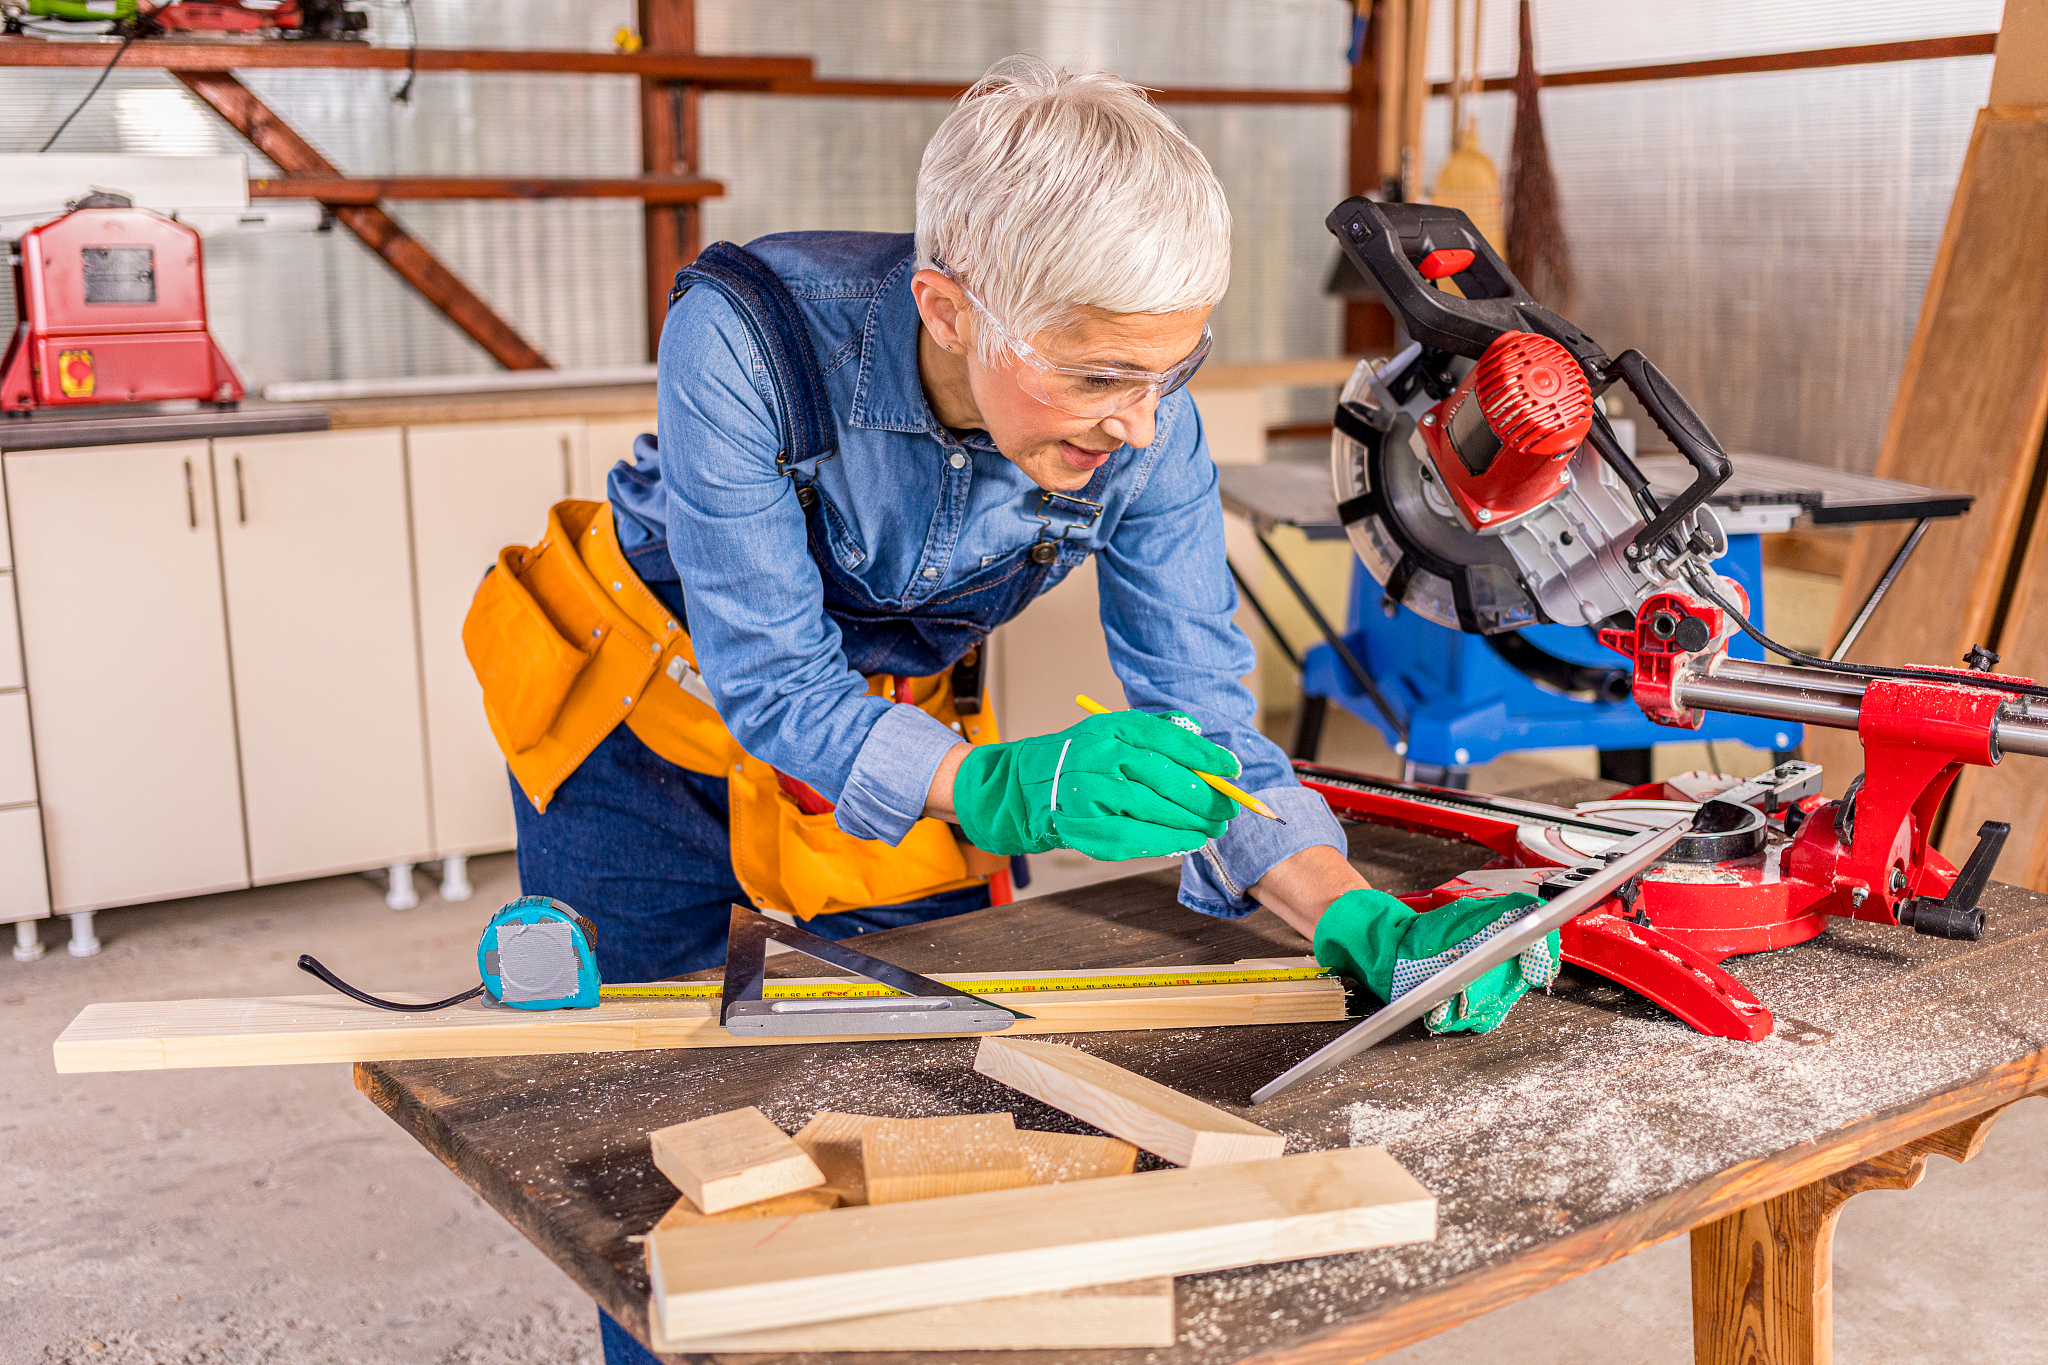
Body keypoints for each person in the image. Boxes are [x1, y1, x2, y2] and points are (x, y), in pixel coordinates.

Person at [461, 56, 1552, 1364]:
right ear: (947, 306)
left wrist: (1345, 908)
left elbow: (1207, 712)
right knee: (644, 1129)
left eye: (1173, 366)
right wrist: (1000, 787)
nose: (1142, 426)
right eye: (1097, 377)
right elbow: (773, 684)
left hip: (889, 727)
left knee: (929, 1091)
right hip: (638, 716)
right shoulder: (744, 339)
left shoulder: (1151, 421)